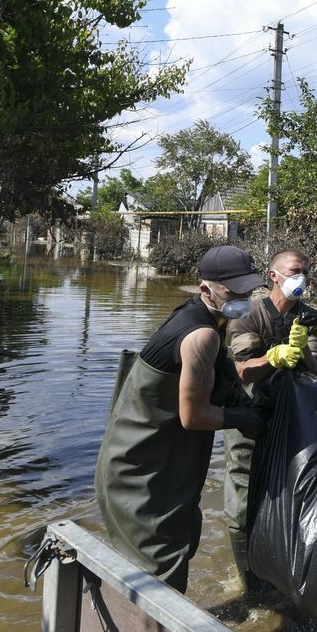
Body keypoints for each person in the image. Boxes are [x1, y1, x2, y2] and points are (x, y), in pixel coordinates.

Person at [94, 245, 266, 592]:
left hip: (165, 462)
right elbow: (193, 416)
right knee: (160, 578)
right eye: (236, 292)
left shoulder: (214, 321)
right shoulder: (200, 335)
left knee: (183, 544)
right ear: (206, 290)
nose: (245, 299)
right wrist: (243, 419)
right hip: (141, 471)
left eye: (249, 290)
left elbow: (221, 378)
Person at [223, 249, 317, 583]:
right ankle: (247, 579)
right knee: (242, 494)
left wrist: (305, 349)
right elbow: (240, 371)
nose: (302, 278)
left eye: (305, 272)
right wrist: (274, 357)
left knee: (293, 490)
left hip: (294, 417)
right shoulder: (246, 314)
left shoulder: (310, 317)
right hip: (249, 415)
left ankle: (284, 568)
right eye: (295, 270)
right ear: (273, 275)